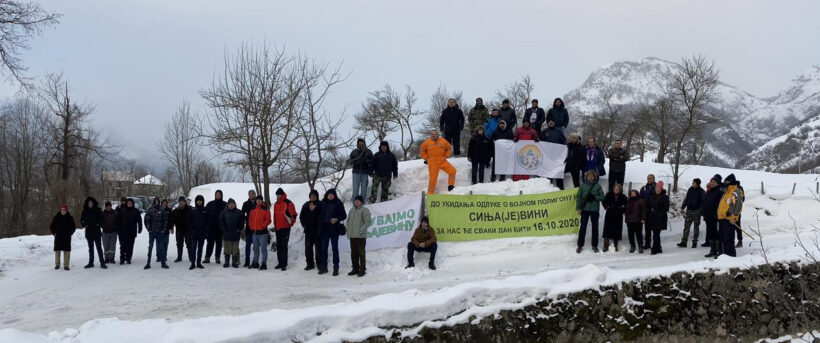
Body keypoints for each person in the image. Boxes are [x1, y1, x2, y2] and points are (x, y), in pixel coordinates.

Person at [318, 189, 347, 276]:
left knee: (335, 249)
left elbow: (344, 215)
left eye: (332, 194)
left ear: (334, 195)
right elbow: (319, 215)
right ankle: (324, 267)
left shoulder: (338, 203)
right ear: (326, 195)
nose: (330, 196)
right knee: (324, 249)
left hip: (334, 229)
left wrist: (336, 219)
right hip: (325, 229)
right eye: (329, 194)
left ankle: (336, 267)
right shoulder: (322, 203)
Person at [420, 129, 457, 194]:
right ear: (430, 135)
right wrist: (426, 158)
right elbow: (422, 150)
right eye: (432, 134)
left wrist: (446, 156)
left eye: (435, 134)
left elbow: (449, 149)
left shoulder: (443, 141)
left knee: (452, 171)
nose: (433, 135)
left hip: (442, 161)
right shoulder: (427, 142)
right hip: (432, 162)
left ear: (438, 134)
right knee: (433, 179)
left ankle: (451, 186)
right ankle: (430, 194)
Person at [576, 170, 604, 253]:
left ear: (594, 177)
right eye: (589, 176)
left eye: (592, 176)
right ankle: (580, 245)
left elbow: (602, 197)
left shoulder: (598, 186)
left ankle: (594, 245)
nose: (590, 177)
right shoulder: (582, 186)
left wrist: (595, 197)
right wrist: (578, 208)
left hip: (595, 210)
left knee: (595, 228)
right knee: (582, 228)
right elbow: (578, 197)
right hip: (585, 209)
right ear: (586, 177)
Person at [717, 174, 744, 258]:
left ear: (731, 181)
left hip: (729, 219)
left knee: (728, 239)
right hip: (722, 219)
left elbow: (738, 205)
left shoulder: (736, 191)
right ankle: (724, 256)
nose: (725, 183)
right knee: (722, 239)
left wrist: (734, 217)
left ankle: (731, 256)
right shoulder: (727, 192)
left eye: (727, 181)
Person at [272, 188, 297, 271]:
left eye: (279, 195)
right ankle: (280, 263)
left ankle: (284, 264)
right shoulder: (276, 204)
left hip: (285, 228)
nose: (278, 196)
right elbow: (275, 215)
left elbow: (293, 215)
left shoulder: (288, 203)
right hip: (278, 228)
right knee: (279, 246)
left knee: (284, 245)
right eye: (277, 195)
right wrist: (275, 225)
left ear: (282, 194)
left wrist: (290, 223)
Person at [346, 195, 372, 277]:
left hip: (360, 236)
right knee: (353, 253)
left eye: (358, 200)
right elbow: (348, 221)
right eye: (355, 200)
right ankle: (355, 268)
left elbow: (368, 222)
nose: (356, 202)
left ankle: (362, 269)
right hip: (352, 236)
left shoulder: (364, 210)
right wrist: (348, 231)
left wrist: (361, 230)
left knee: (361, 253)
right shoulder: (351, 210)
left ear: (361, 202)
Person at [143, 197, 170, 269]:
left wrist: (163, 230)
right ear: (154, 202)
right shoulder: (150, 209)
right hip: (152, 233)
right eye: (155, 201)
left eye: (158, 201)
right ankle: (148, 263)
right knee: (150, 248)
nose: (156, 202)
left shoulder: (162, 210)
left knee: (161, 248)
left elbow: (165, 220)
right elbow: (146, 220)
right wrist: (149, 229)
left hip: (160, 233)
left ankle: (163, 263)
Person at [678, 178, 705, 248]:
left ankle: (695, 242)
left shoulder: (701, 191)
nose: (692, 184)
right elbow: (686, 199)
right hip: (689, 211)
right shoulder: (690, 189)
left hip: (696, 212)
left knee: (696, 227)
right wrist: (683, 207)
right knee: (686, 226)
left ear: (697, 184)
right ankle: (684, 242)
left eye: (694, 183)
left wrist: (700, 210)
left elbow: (703, 202)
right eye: (692, 182)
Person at [81, 197, 106, 269]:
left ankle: (102, 262)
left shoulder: (98, 210)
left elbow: (102, 219)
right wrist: (84, 224)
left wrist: (98, 223)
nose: (90, 204)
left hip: (96, 232)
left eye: (91, 203)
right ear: (87, 204)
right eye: (89, 203)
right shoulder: (84, 211)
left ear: (93, 203)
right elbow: (81, 220)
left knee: (99, 248)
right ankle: (91, 262)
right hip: (88, 232)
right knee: (90, 248)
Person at [299, 190, 322, 271]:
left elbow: (322, 216)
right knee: (308, 249)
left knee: (319, 249)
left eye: (314, 195)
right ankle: (310, 264)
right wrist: (305, 226)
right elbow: (301, 217)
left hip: (318, 231)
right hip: (308, 231)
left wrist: (313, 210)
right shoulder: (305, 205)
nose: (313, 196)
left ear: (317, 196)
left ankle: (319, 264)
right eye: (311, 195)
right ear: (309, 196)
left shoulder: (320, 204)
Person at [541, 121, 567, 189]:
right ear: (548, 123)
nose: (551, 123)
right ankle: (548, 189)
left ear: (554, 123)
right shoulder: (544, 131)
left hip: (557, 157)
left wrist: (563, 152)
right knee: (548, 174)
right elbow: (540, 142)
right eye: (550, 122)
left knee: (558, 173)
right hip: (548, 157)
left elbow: (564, 142)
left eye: (552, 122)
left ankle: (561, 189)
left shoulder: (559, 132)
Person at [248, 195, 272, 270]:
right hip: (254, 233)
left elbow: (268, 220)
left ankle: (264, 264)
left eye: (260, 200)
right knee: (255, 248)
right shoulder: (252, 209)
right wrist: (251, 226)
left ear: (262, 201)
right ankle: (255, 263)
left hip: (263, 233)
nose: (258, 201)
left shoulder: (265, 209)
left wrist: (262, 226)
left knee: (263, 249)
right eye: (257, 200)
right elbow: (250, 220)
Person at [703, 175, 724, 257]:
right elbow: (705, 203)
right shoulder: (709, 191)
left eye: (714, 182)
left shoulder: (719, 192)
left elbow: (720, 205)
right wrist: (704, 212)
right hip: (708, 217)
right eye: (711, 181)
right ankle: (713, 251)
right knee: (711, 234)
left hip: (716, 217)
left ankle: (719, 251)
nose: (711, 183)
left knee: (717, 234)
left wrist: (715, 214)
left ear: (718, 183)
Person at [602, 184, 627, 252]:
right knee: (607, 229)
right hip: (609, 214)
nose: (616, 189)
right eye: (615, 188)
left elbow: (626, 205)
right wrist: (607, 206)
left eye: (618, 188)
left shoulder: (623, 196)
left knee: (617, 229)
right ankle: (605, 245)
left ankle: (615, 245)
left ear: (620, 189)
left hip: (618, 215)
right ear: (613, 189)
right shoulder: (609, 194)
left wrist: (622, 209)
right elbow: (604, 202)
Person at [204, 190, 227, 264]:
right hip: (211, 228)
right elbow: (205, 215)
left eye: (219, 194)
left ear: (221, 195)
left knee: (219, 244)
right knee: (210, 243)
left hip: (220, 228)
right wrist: (206, 227)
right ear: (215, 195)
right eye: (216, 194)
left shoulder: (225, 204)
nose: (218, 195)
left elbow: (227, 216)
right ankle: (207, 257)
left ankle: (217, 258)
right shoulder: (210, 204)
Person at [219, 198, 243, 268]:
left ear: (235, 204)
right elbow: (221, 222)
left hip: (236, 233)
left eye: (233, 204)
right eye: (230, 204)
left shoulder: (239, 212)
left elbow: (242, 222)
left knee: (235, 249)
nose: (231, 205)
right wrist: (224, 230)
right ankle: (227, 262)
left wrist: (239, 229)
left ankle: (234, 262)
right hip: (227, 233)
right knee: (227, 248)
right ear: (228, 205)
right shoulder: (223, 212)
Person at [118, 198, 143, 265]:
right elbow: (118, 220)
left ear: (133, 204)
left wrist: (140, 228)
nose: (129, 203)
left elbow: (139, 221)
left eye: (131, 203)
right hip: (123, 231)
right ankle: (122, 259)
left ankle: (129, 258)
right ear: (126, 203)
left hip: (132, 231)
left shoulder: (136, 211)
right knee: (123, 246)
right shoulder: (122, 210)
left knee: (130, 246)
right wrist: (118, 229)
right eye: (128, 202)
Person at [647, 181, 670, 255]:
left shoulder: (665, 197)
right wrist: (650, 210)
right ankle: (659, 248)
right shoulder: (652, 196)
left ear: (661, 189)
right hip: (653, 218)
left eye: (658, 188)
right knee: (655, 233)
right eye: (656, 188)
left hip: (660, 218)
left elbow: (666, 208)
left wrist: (658, 212)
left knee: (656, 234)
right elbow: (649, 206)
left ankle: (654, 249)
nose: (657, 189)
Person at [50, 205, 76, 270]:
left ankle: (66, 265)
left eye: (64, 210)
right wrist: (54, 233)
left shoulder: (70, 218)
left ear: (66, 210)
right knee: (57, 251)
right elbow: (51, 226)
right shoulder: (56, 217)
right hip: (58, 237)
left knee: (67, 251)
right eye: (62, 210)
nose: (63, 211)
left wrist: (70, 233)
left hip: (67, 237)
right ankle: (57, 264)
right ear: (60, 210)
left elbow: (73, 227)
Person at [349, 138, 373, 204]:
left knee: (364, 189)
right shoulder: (354, 152)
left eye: (362, 143)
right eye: (359, 143)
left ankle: (363, 202)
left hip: (365, 173)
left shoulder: (369, 151)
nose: (361, 144)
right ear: (357, 144)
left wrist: (371, 171)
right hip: (356, 172)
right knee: (355, 188)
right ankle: (354, 201)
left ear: (364, 143)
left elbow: (372, 163)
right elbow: (350, 162)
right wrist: (354, 161)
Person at [171, 197, 193, 264]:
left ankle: (191, 257)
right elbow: (172, 220)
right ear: (178, 202)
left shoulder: (190, 209)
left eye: (183, 201)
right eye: (180, 201)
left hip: (188, 230)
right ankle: (179, 257)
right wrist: (171, 227)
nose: (181, 203)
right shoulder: (175, 211)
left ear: (185, 202)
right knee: (179, 244)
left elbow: (194, 218)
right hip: (179, 230)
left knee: (189, 244)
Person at [639, 174, 658, 250]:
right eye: (648, 178)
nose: (649, 179)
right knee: (647, 228)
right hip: (646, 211)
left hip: (654, 211)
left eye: (650, 178)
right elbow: (640, 198)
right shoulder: (644, 187)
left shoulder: (657, 187)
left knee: (655, 229)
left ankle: (656, 244)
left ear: (654, 179)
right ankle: (647, 243)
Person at [190, 195, 209, 269]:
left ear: (202, 201)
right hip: (194, 233)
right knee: (193, 249)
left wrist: (206, 231)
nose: (199, 201)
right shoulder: (193, 210)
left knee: (200, 249)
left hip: (202, 233)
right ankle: (192, 263)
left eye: (201, 200)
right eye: (198, 200)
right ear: (196, 201)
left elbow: (208, 222)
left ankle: (198, 263)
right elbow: (190, 221)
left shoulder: (205, 210)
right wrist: (192, 230)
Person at [241, 189, 257, 267]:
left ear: (255, 194)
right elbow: (242, 214)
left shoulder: (258, 202)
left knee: (256, 246)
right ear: (248, 195)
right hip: (248, 228)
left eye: (253, 194)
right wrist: (246, 219)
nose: (252, 195)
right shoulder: (246, 204)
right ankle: (247, 261)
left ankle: (255, 261)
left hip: (257, 228)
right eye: (250, 194)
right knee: (248, 245)